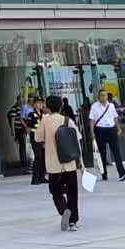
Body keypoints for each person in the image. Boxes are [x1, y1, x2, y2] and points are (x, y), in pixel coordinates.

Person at [36, 94, 80, 232]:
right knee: (72, 192)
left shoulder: (45, 121)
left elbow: (37, 138)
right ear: (61, 106)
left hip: (53, 163)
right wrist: (80, 162)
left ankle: (63, 209)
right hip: (69, 162)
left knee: (55, 190)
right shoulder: (67, 120)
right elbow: (77, 139)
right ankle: (73, 221)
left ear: (48, 107)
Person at [88, 88, 125, 180]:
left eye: (105, 95)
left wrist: (118, 128)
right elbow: (91, 120)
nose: (103, 97)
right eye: (101, 95)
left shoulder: (111, 105)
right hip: (100, 129)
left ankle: (122, 173)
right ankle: (104, 174)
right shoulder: (94, 106)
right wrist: (92, 132)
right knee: (102, 153)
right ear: (98, 97)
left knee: (116, 151)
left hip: (111, 129)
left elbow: (115, 117)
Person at [29, 96, 48, 184]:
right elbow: (29, 127)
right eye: (38, 103)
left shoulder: (44, 114)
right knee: (38, 157)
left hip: (43, 138)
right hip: (35, 138)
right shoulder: (31, 114)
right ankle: (35, 178)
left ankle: (42, 177)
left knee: (43, 157)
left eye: (41, 103)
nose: (40, 105)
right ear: (34, 104)